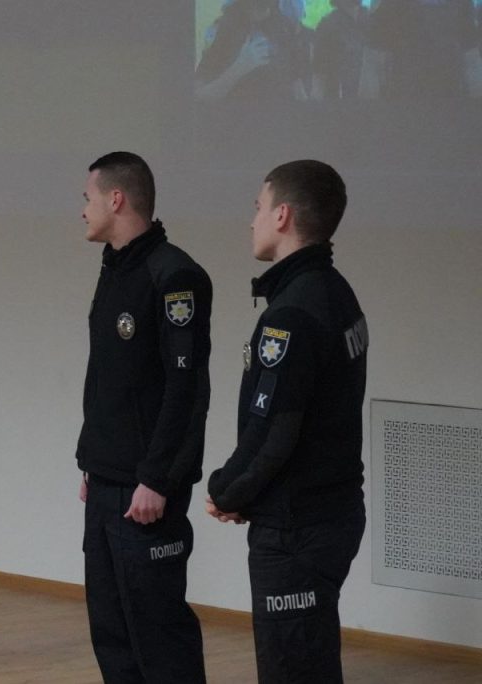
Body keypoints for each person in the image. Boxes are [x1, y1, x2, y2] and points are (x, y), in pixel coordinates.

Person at [206, 160, 368, 683]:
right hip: (329, 513)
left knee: (292, 668)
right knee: (310, 660)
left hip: (297, 530)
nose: (251, 219)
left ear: (282, 215)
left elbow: (275, 432)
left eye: (258, 208)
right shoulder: (336, 291)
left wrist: (226, 491)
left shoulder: (292, 314)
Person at [76, 152, 211, 683]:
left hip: (146, 489)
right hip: (107, 480)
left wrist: (157, 478)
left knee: (158, 632)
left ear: (116, 199)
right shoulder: (114, 268)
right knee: (110, 630)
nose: (83, 209)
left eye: (88, 198)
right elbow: (109, 379)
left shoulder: (174, 276)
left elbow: (186, 390)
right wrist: (91, 463)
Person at [196, 0, 312, 100]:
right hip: (236, 115)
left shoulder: (284, 27)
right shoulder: (227, 28)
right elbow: (200, 95)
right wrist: (240, 67)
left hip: (278, 115)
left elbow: (298, 90)